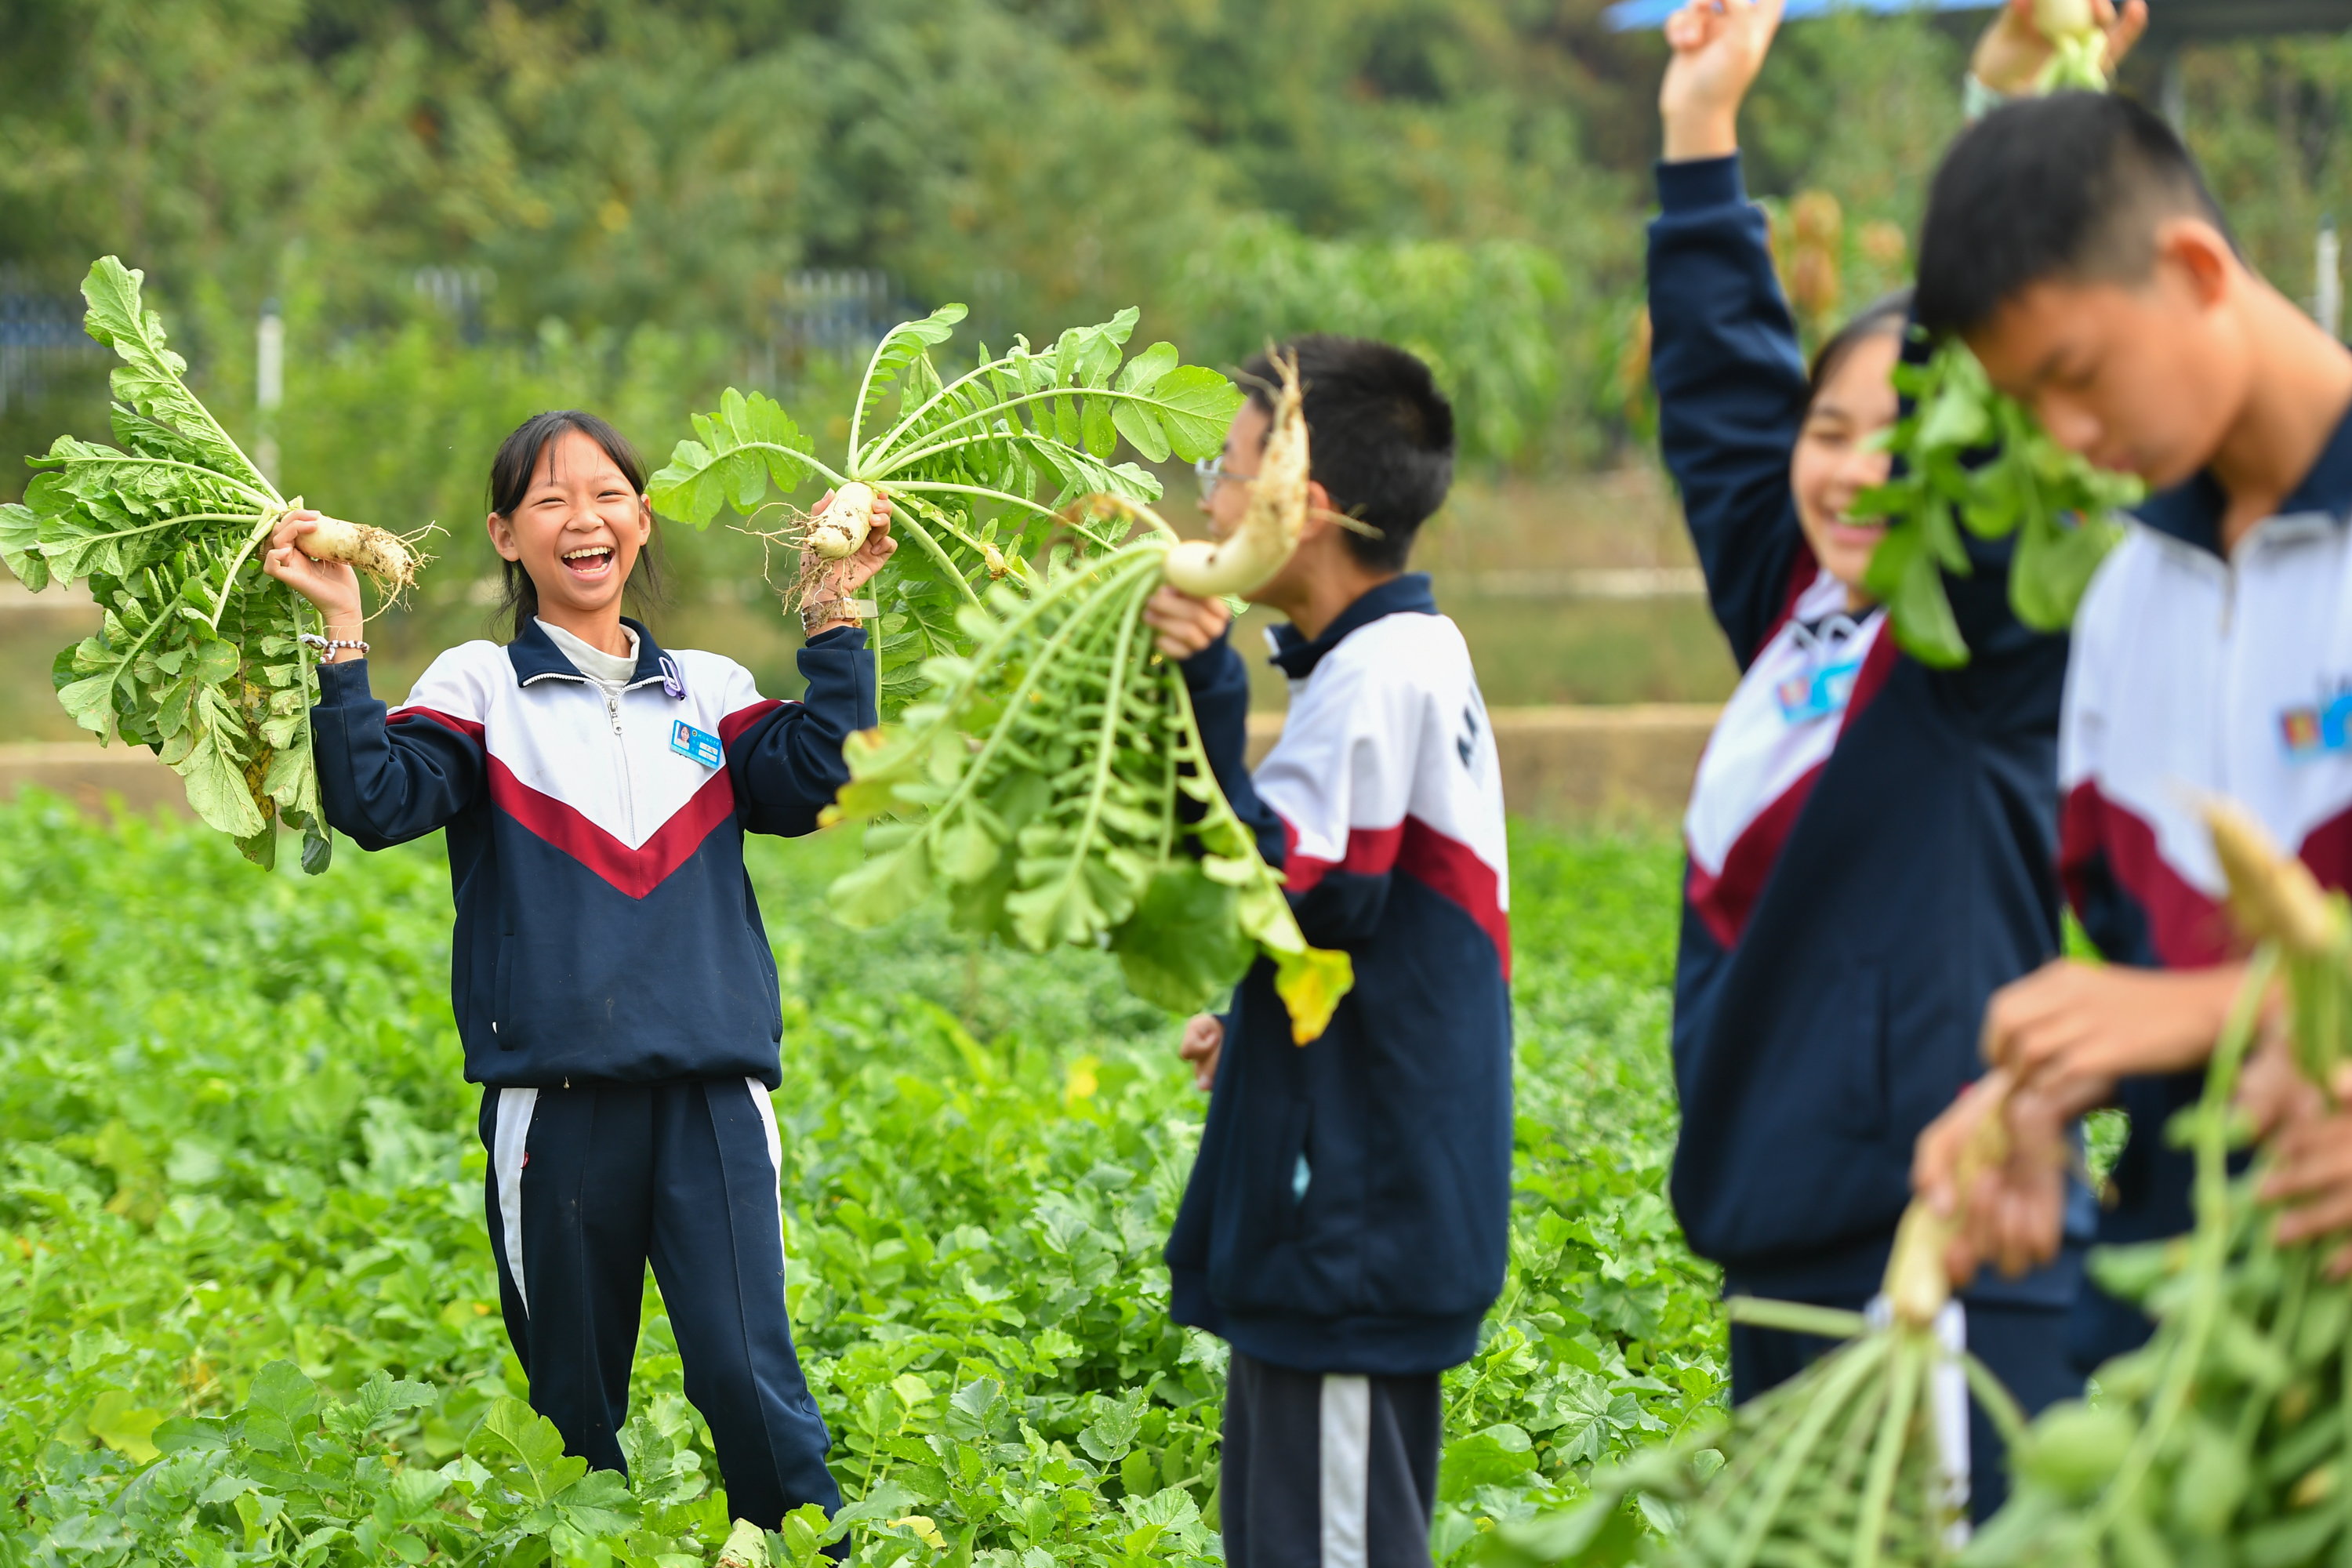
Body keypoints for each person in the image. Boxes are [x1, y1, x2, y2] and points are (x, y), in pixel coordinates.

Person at [1642, 0, 2140, 1519]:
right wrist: (1701, 132)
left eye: (1897, 433)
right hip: (1778, 1238)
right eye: (1832, 428)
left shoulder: (1970, 651)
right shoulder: (1806, 619)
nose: (1854, 463)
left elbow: (1999, 414)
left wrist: (2014, 118)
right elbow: (1729, 405)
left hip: (1933, 1245)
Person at [262, 410, 895, 1545]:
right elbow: (377, 803)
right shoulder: (481, 690)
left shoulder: (706, 688)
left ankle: (812, 1549)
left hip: (713, 1098)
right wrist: (342, 633)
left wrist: (836, 610)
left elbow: (817, 782)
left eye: (605, 495)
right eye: (549, 502)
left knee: (754, 1384)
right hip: (552, 1107)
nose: (582, 520)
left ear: (642, 523)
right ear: (507, 537)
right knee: (572, 1412)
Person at [1907, 88, 2352, 1367]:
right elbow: (2137, 969)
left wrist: (2189, 1013)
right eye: (2026, 405)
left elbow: (2173, 1005)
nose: (2070, 440)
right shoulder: (2124, 605)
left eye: (2075, 377)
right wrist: (2034, 1102)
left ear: (2196, 268)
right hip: (2196, 1335)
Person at [1140, 336, 1509, 1567]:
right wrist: (1255, 1024)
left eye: (1230, 463)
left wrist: (1203, 689)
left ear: (1311, 503)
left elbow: (1292, 893)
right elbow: (1355, 926)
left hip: (1355, 1215)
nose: (1207, 495)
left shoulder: (1381, 673)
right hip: (1350, 1200)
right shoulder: (1397, 656)